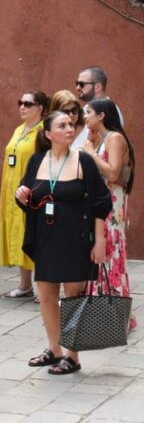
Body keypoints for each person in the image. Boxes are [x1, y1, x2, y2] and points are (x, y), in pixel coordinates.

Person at [16, 111, 111, 374]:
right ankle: (54, 349)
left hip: (76, 240)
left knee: (73, 295)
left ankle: (73, 355)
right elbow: (28, 196)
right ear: (48, 134)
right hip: (45, 239)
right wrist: (21, 195)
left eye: (71, 124)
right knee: (46, 294)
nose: (70, 129)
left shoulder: (84, 161)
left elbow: (101, 202)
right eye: (62, 125)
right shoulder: (37, 160)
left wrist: (99, 240)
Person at [82, 98, 136, 331]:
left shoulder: (114, 138)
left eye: (88, 112)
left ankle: (116, 318)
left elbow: (113, 173)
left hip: (112, 207)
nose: (84, 117)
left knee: (112, 255)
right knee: (102, 256)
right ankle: (109, 315)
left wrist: (91, 153)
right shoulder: (102, 139)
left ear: (102, 115)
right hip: (102, 205)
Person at [0, 90, 47, 298]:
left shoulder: (44, 131)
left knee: (33, 233)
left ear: (41, 108)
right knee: (19, 232)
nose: (22, 107)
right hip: (11, 188)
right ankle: (25, 284)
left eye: (28, 103)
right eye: (21, 102)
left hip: (32, 188)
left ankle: (41, 286)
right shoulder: (19, 129)